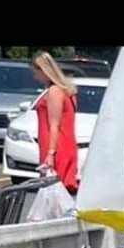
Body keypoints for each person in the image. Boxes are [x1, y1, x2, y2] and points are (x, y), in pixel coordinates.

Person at [31, 52, 80, 195]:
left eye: (36, 73)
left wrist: (50, 153)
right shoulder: (66, 91)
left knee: (54, 191)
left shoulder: (54, 91)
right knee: (58, 194)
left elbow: (54, 125)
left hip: (57, 148)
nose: (35, 77)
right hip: (64, 145)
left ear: (43, 71)